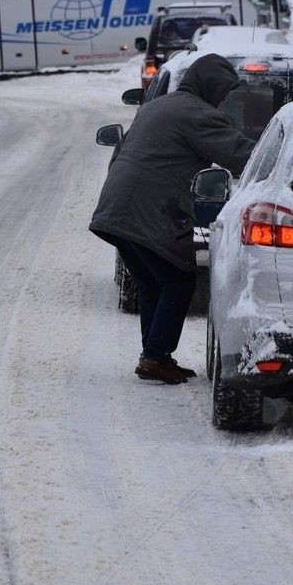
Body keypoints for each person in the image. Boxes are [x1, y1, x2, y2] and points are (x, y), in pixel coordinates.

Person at [90, 54, 255, 385]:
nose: (223, 99)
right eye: (223, 91)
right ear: (210, 85)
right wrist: (278, 152)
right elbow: (239, 154)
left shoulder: (156, 106)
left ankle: (154, 356)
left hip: (116, 206)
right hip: (147, 210)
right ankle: (155, 357)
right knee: (178, 279)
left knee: (153, 281)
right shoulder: (197, 114)